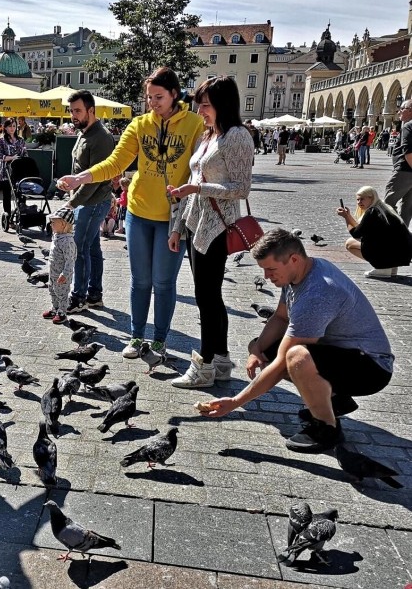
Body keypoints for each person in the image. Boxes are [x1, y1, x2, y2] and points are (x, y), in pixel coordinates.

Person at [200, 229, 394, 453]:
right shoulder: (299, 272)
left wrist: (235, 402)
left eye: (270, 269)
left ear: (293, 259)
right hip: (346, 354)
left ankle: (326, 429)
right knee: (265, 347)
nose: (266, 277)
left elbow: (285, 361)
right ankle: (333, 400)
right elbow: (281, 317)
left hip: (371, 369)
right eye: (263, 270)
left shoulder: (318, 293)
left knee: (296, 357)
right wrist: (256, 349)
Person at [57, 69, 204, 361]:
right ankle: (137, 337)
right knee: (140, 281)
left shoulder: (194, 124)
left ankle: (160, 339)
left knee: (163, 282)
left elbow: (200, 167)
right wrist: (80, 178)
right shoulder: (139, 125)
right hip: (138, 211)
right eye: (148, 97)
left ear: (174, 94)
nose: (152, 103)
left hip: (173, 218)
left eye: (158, 97)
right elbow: (114, 163)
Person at [168, 76, 253, 388]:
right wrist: (178, 226)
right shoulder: (209, 136)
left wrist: (199, 187)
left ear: (222, 104)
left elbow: (241, 188)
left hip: (218, 226)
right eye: (199, 104)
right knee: (210, 295)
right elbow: (193, 186)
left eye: (205, 105)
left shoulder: (237, 137)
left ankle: (203, 365)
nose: (200, 110)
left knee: (206, 296)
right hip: (196, 224)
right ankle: (220, 359)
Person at [53, 90, 116, 312]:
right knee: (92, 247)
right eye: (71, 111)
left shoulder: (101, 137)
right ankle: (94, 295)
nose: (73, 115)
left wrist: (72, 203)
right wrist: (67, 184)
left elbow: (95, 180)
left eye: (78, 111)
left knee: (79, 248)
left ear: (91, 110)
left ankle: (79, 297)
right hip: (86, 200)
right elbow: (80, 170)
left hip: (93, 201)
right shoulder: (85, 132)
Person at [338, 185, 412, 277]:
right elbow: (362, 228)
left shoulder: (372, 212)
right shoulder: (384, 208)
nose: (359, 202)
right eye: (358, 199)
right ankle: (390, 267)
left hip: (392, 252)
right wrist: (348, 216)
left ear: (371, 198)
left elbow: (356, 234)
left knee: (350, 243)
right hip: (403, 253)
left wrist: (346, 217)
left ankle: (383, 268)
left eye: (362, 199)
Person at [42, 206, 77, 324]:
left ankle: (62, 312)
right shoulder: (57, 236)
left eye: (53, 222)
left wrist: (65, 274)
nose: (51, 224)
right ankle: (55, 308)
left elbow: (70, 260)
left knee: (62, 293)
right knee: (52, 290)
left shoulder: (67, 241)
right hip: (53, 272)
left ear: (63, 224)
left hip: (62, 275)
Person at [384, 100, 412, 227]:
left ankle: (393, 232)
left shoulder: (408, 126)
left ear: (410, 110)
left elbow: (408, 153)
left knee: (387, 203)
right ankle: (403, 236)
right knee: (408, 207)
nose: (399, 111)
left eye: (402, 108)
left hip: (404, 171)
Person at [0, 118, 27, 221]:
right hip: (5, 171)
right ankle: (8, 217)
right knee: (7, 195)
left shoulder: (21, 139)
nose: (12, 128)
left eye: (14, 126)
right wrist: (12, 157)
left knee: (20, 193)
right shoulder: (1, 140)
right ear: (5, 127)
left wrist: (24, 160)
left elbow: (24, 153)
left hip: (18, 170)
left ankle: (20, 214)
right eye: (10, 126)